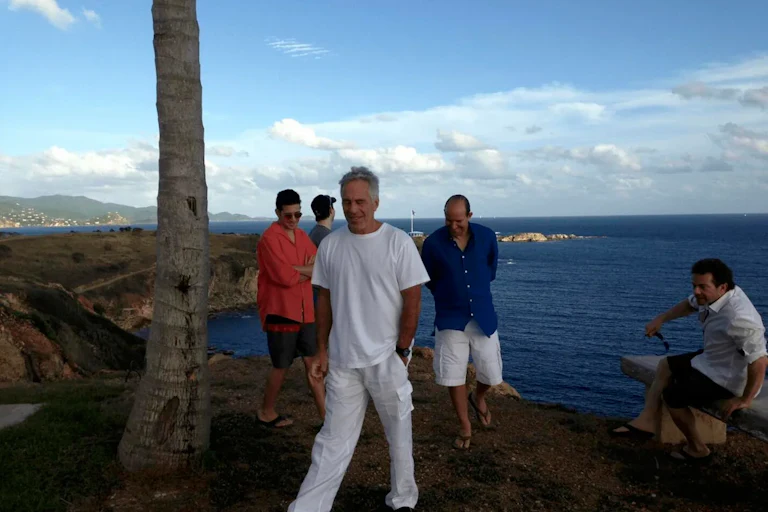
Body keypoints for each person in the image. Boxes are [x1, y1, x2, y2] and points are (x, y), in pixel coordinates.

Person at [288, 167, 429, 512]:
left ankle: (403, 500)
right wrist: (322, 349)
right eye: (348, 202)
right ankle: (308, 507)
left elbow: (413, 299)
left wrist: (402, 351)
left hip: (386, 359)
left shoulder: (397, 242)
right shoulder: (333, 245)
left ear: (375, 202)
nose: (354, 208)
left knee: (399, 437)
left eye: (361, 201)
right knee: (333, 440)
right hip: (343, 361)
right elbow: (324, 300)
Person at [612, 258, 767, 461]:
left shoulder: (741, 318)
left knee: (673, 396)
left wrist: (744, 399)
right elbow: (689, 304)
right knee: (666, 364)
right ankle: (647, 420)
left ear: (723, 287)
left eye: (702, 287)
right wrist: (660, 319)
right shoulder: (713, 297)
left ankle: (698, 449)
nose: (696, 292)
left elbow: (760, 360)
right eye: (694, 285)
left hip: (728, 379)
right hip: (713, 360)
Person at [420, 195, 502, 450]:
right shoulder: (433, 243)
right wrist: (449, 294)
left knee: (491, 372)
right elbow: (429, 278)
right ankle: (465, 425)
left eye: (458, 221)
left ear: (469, 215)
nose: (453, 226)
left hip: (483, 317)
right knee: (453, 375)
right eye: (448, 220)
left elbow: (491, 270)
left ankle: (477, 396)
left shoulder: (487, 237)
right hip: (450, 318)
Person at [256, 189, 326, 428]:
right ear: (277, 213)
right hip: (281, 311)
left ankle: (328, 419)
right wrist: (305, 270)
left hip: (307, 311)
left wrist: (298, 270)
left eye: (298, 214)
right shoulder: (269, 239)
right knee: (281, 366)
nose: (294, 220)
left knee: (313, 363)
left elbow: (320, 266)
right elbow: (284, 278)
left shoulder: (302, 236)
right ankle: (266, 412)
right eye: (288, 216)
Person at [308, 194, 336, 303]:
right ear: (330, 210)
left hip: (314, 294)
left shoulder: (314, 233)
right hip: (321, 296)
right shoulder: (328, 238)